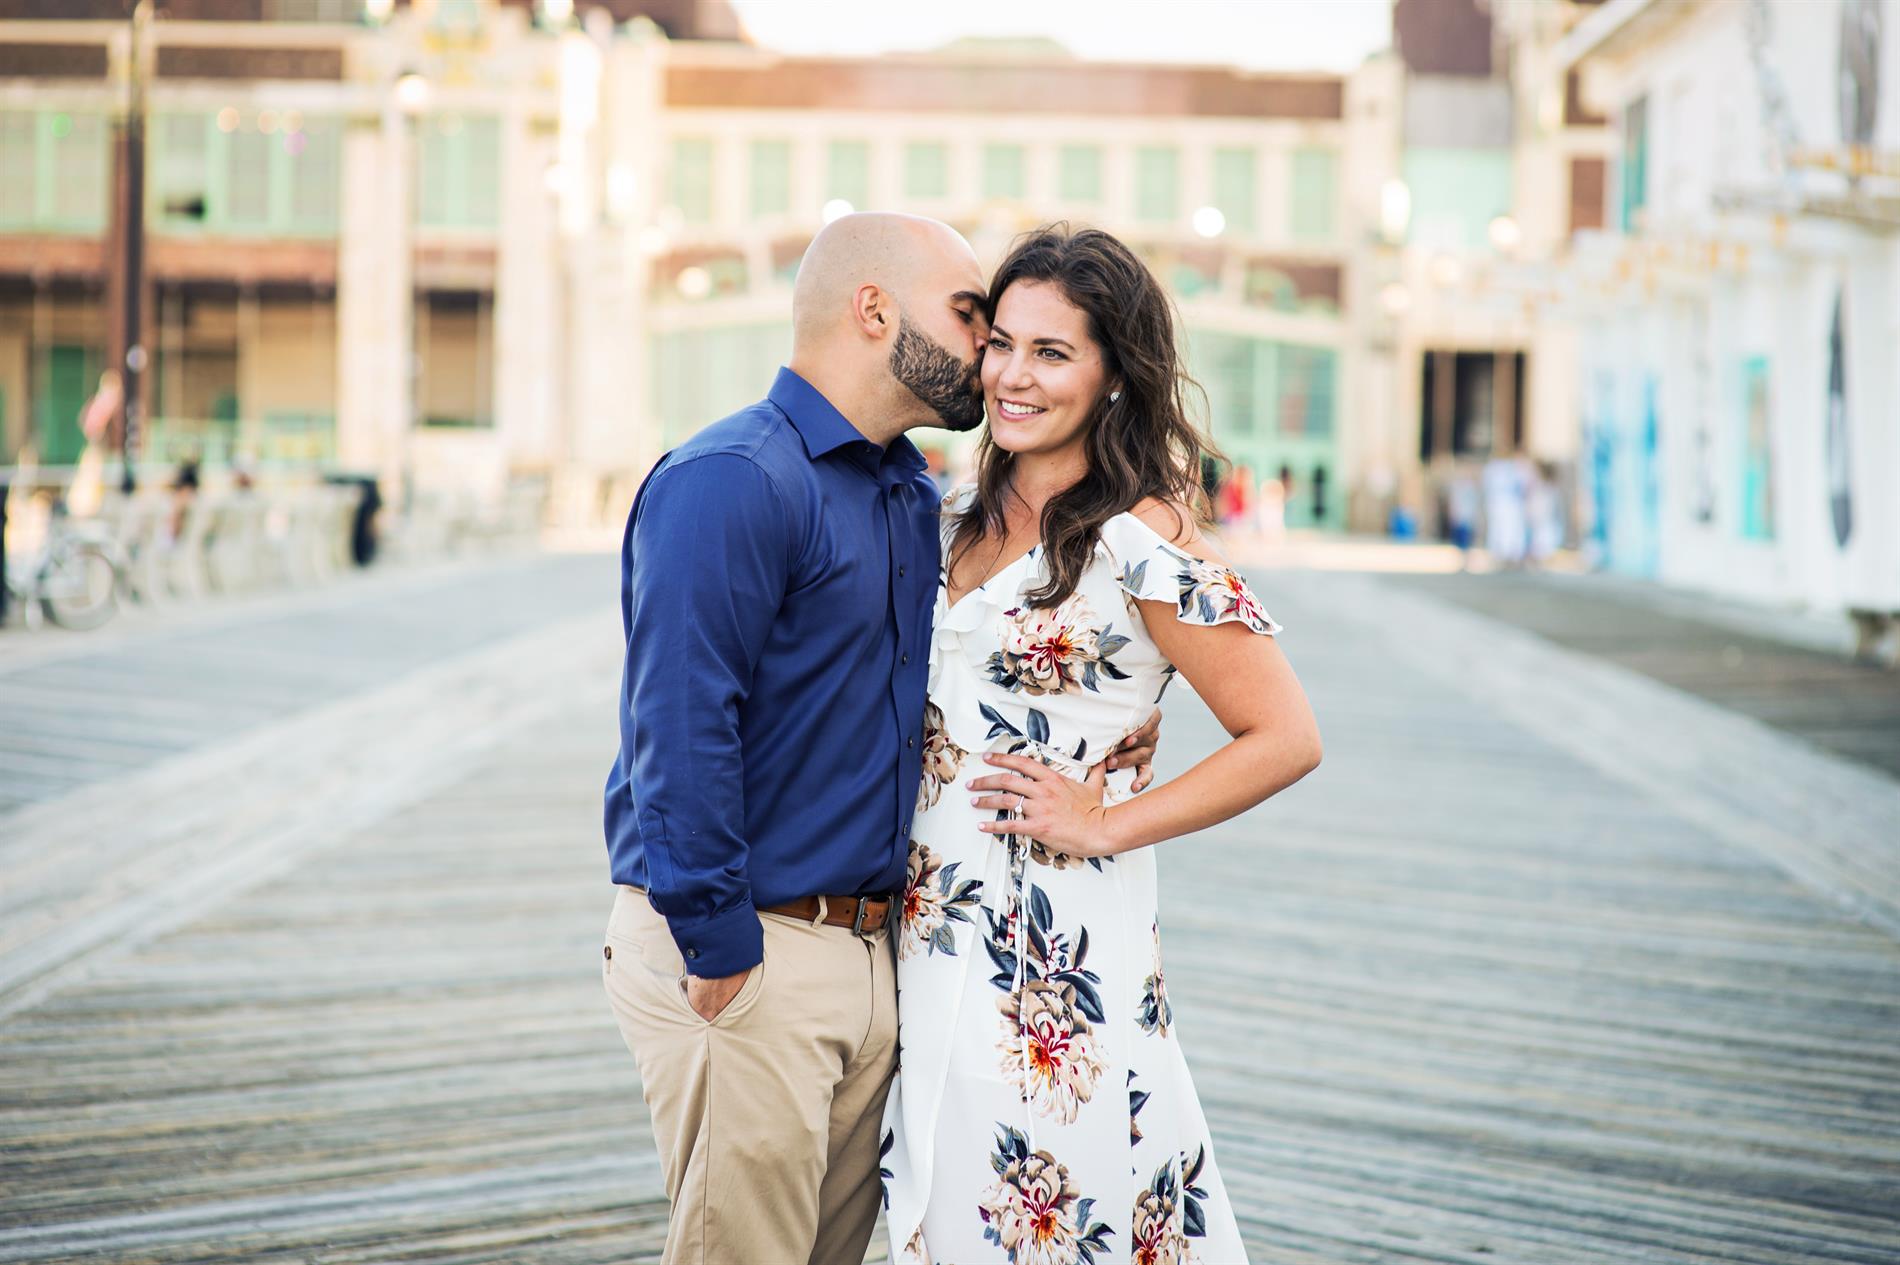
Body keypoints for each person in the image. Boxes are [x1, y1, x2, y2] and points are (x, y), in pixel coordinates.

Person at [600, 213, 1160, 1265]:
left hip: (881, 957)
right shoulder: (731, 478)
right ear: (873, 310)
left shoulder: (910, 493)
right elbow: (677, 724)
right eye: (970, 317)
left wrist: (1116, 713)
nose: (989, 350)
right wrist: (722, 953)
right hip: (752, 947)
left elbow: (952, 671)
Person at [881, 225, 1322, 1263]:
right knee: (941, 1204)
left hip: (1053, 942)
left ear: (1113, 373)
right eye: (1001, 343)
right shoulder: (946, 514)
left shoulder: (1141, 535)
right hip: (919, 922)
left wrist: (1106, 821)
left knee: (1046, 1207)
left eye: (1052, 352)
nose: (1012, 375)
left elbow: (1285, 734)